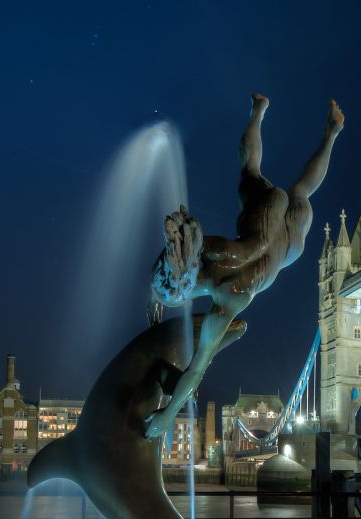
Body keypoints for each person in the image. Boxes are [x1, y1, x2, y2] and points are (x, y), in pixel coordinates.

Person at [145, 94, 343, 438]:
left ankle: (329, 133)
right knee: (250, 170)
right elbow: (186, 248)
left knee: (300, 191)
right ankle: (261, 112)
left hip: (289, 243)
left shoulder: (228, 301)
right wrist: (157, 291)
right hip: (264, 217)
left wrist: (166, 416)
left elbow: (196, 369)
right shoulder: (212, 253)